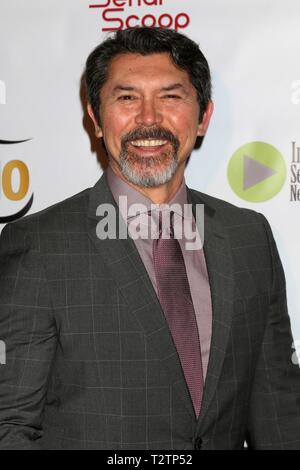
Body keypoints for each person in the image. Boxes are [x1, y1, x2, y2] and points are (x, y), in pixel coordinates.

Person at [0, 27, 300, 451]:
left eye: (170, 96)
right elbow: (10, 424)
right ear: (95, 118)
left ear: (203, 118)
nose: (148, 118)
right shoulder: (38, 246)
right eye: (126, 98)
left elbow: (280, 412)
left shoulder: (249, 238)